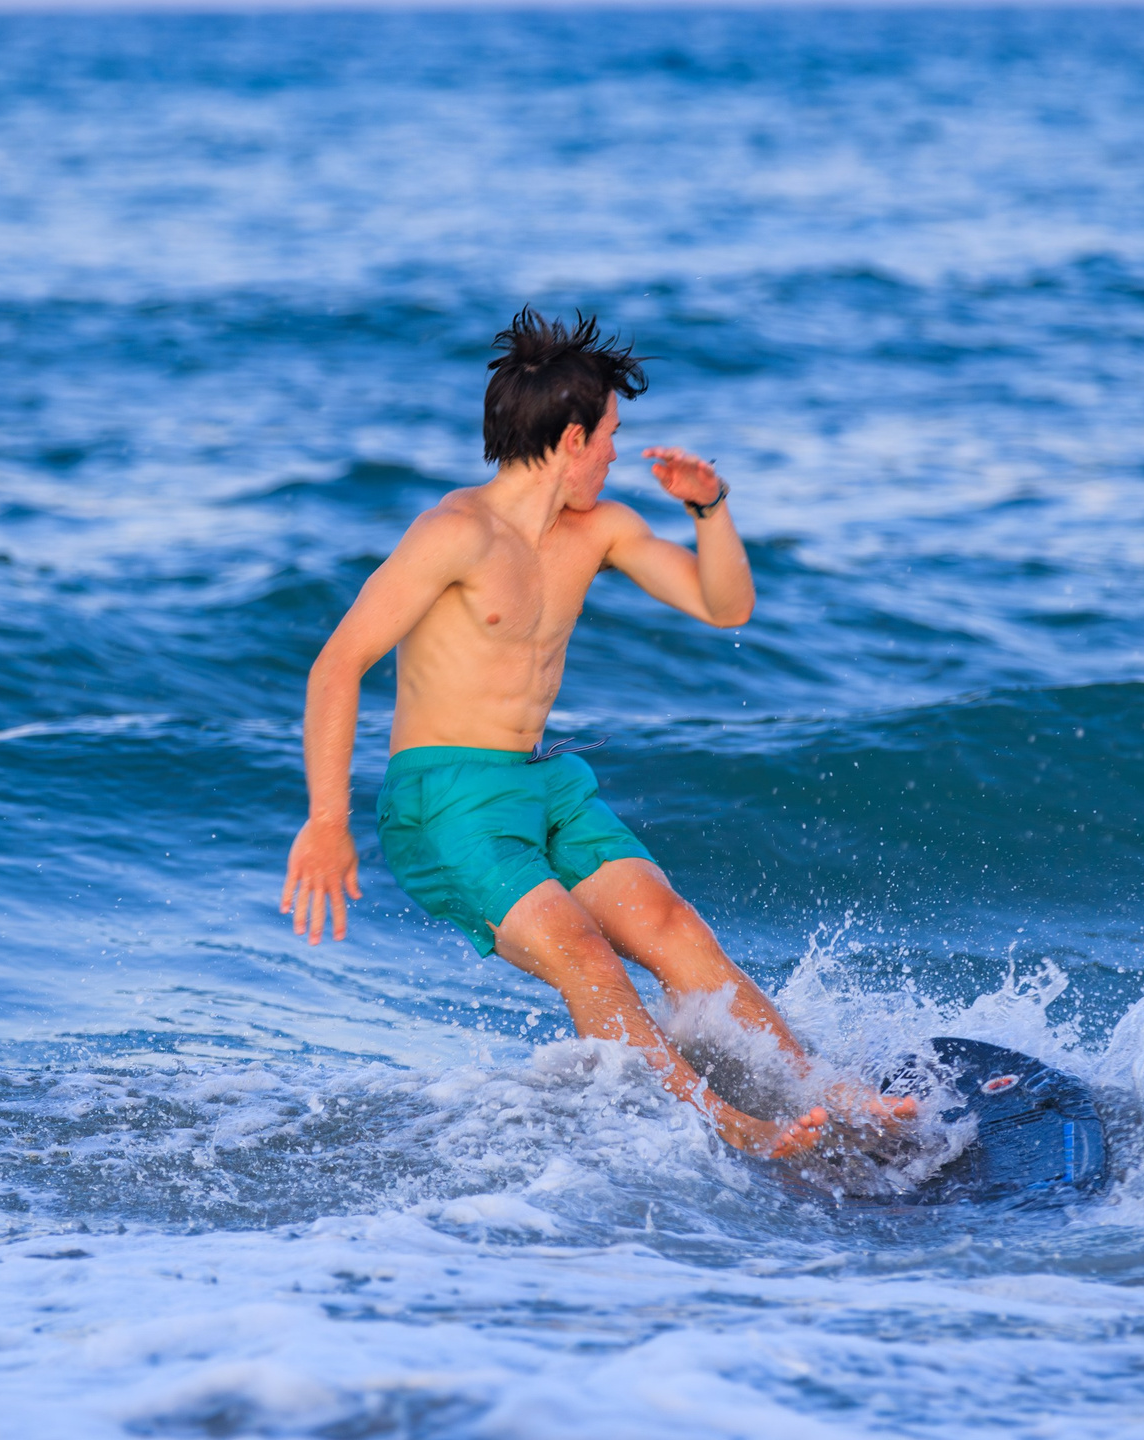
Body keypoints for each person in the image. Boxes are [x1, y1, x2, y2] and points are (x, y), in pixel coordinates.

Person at [280, 308, 910, 1159]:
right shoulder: (456, 533)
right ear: (573, 439)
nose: (616, 453)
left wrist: (710, 507)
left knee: (672, 925)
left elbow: (724, 606)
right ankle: (728, 1128)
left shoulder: (598, 530)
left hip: (544, 781)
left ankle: (821, 1089)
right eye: (610, 434)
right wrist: (327, 822)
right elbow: (336, 665)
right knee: (587, 954)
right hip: (444, 798)